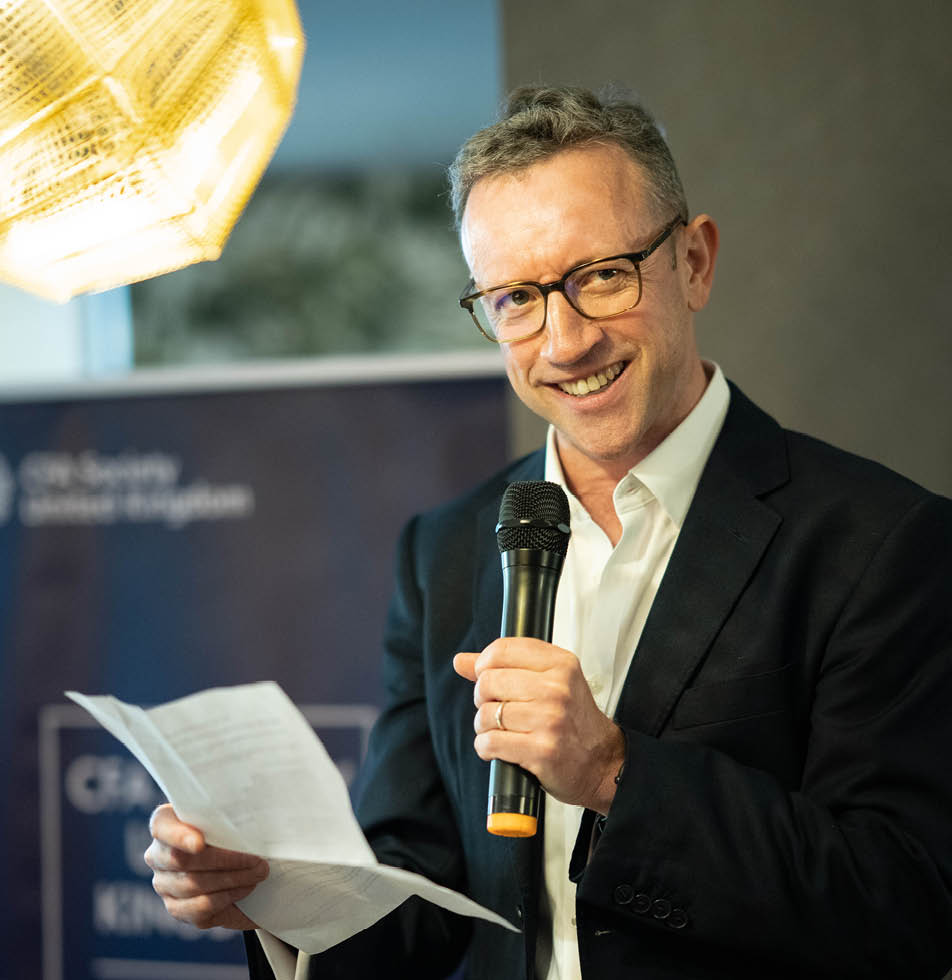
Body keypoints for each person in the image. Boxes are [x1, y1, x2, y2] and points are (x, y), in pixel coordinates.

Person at [146, 86, 952, 979]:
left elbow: (906, 902)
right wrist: (273, 897)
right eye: (516, 298)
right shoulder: (444, 551)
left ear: (694, 261)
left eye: (602, 275)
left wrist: (615, 773)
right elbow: (422, 893)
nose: (563, 341)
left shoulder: (883, 542)